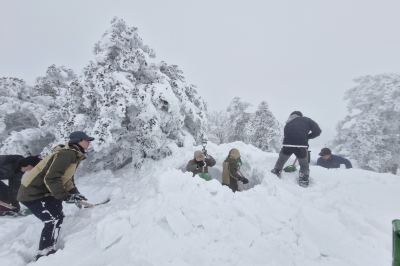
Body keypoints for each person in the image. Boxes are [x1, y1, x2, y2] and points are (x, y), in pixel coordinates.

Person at [17, 131, 94, 261]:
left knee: (58, 216)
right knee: (51, 220)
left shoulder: (74, 154)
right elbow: (52, 178)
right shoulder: (67, 154)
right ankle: (44, 253)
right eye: (87, 140)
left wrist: (75, 194)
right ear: (78, 141)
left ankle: (50, 247)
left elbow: (67, 179)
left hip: (45, 191)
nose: (89, 142)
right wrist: (65, 196)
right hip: (33, 193)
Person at [271, 111, 322, 187]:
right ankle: (303, 180)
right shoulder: (307, 120)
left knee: (281, 161)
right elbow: (317, 131)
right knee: (304, 164)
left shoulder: (288, 122)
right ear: (300, 116)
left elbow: (287, 134)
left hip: (287, 145)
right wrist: (307, 137)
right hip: (301, 146)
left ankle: (276, 173)